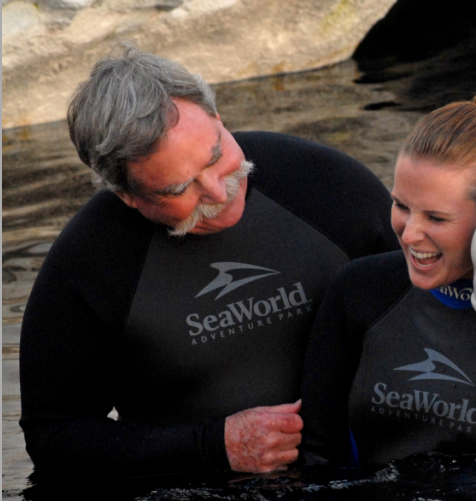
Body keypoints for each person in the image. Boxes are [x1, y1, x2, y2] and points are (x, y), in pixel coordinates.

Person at [18, 44, 399, 478]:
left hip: (361, 476)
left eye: (217, 157)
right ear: (127, 196)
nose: (220, 193)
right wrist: (212, 447)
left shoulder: (327, 187)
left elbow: (435, 314)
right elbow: (54, 438)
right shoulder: (89, 266)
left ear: (218, 119)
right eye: (179, 189)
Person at [300, 68, 476, 467]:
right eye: (401, 206)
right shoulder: (360, 290)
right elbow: (315, 455)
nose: (409, 234)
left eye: (436, 218)